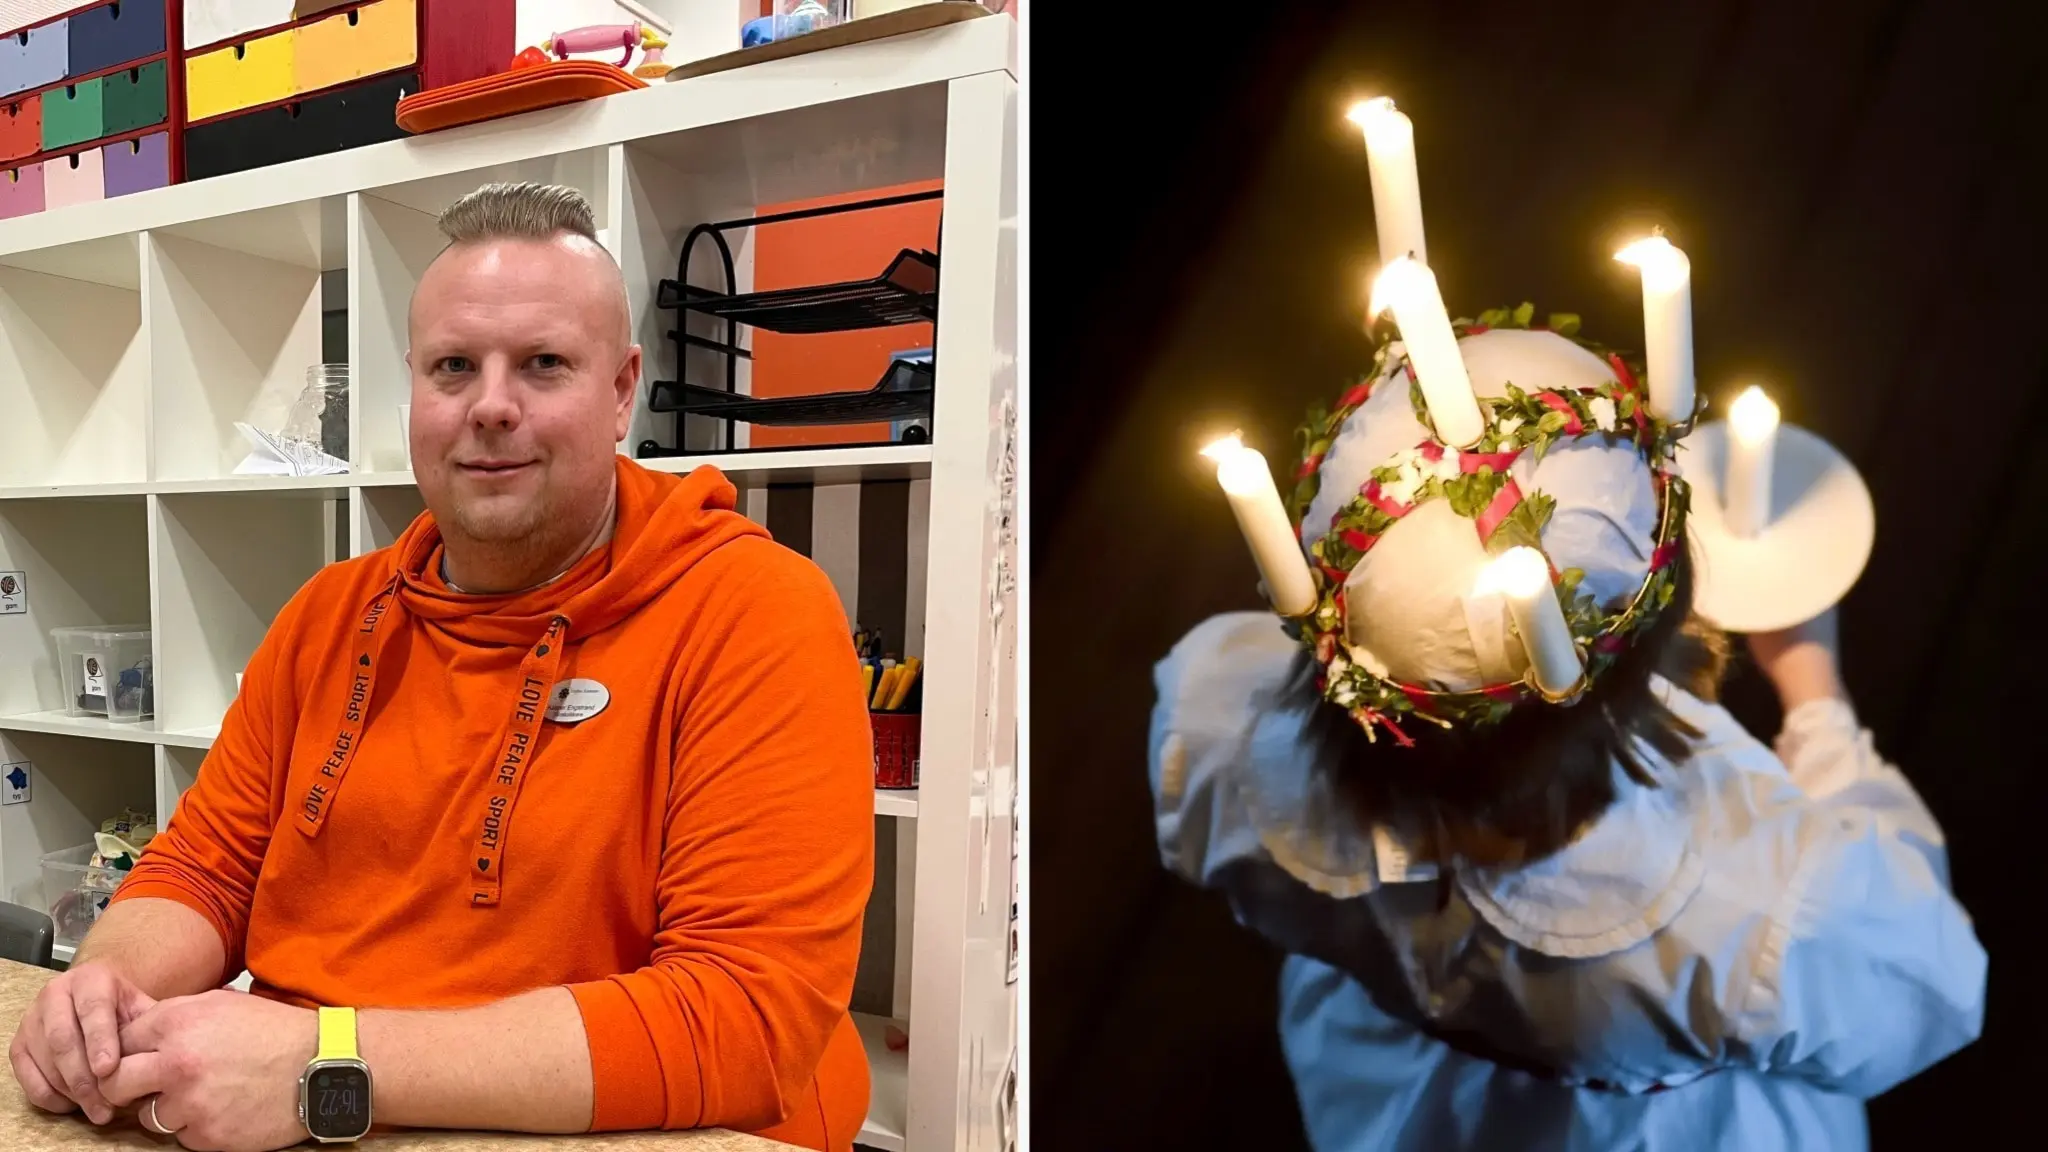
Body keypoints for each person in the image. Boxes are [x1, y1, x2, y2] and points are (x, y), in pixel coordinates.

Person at [7, 182, 875, 1151]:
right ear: (413, 387)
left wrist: (325, 1064)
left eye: (544, 364)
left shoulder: (756, 617)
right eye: (454, 367)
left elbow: (746, 1023)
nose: (491, 406)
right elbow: (205, 870)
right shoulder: (329, 616)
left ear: (623, 388)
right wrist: (103, 988)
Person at [1151, 321, 1987, 1150]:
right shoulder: (1761, 911)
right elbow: (1930, 997)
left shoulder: (1214, 715)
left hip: (1393, 1078)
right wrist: (1816, 696)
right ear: (1652, 650)